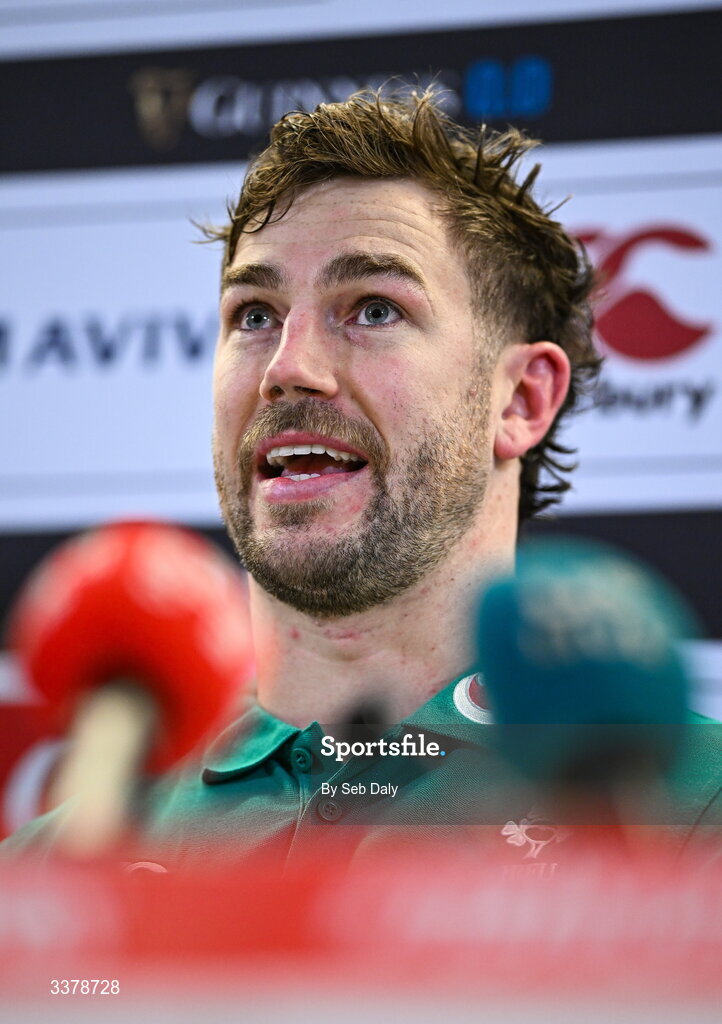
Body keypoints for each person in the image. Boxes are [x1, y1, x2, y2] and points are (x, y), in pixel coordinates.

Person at [3, 88, 720, 868]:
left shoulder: (693, 808)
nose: (289, 368)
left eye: (373, 308)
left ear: (520, 400)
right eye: (254, 314)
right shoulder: (47, 871)